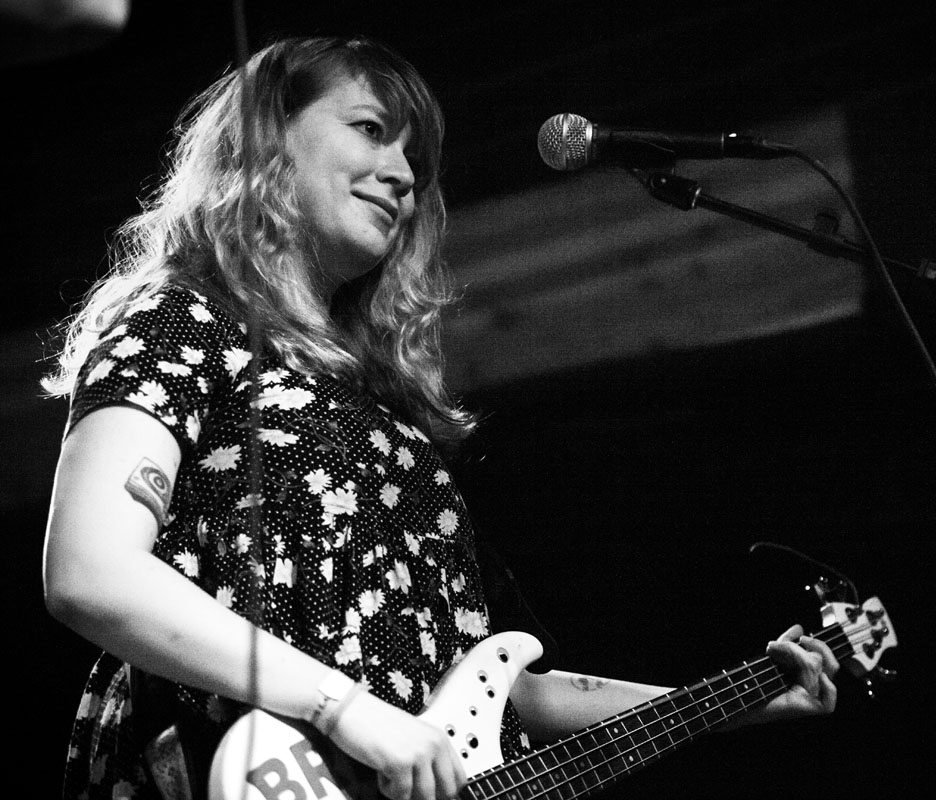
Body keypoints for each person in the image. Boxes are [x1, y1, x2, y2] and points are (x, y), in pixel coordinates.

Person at [41, 35, 839, 800]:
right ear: (265, 141)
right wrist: (347, 711)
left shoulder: (394, 427)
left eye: (414, 161)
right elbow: (91, 572)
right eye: (371, 131)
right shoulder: (182, 323)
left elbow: (515, 688)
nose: (401, 175)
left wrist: (744, 697)